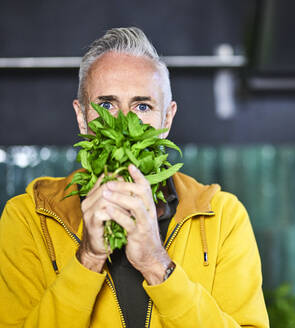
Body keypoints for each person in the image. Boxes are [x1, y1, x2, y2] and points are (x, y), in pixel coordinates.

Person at [0, 27, 269, 328]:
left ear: (167, 119)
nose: (125, 124)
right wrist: (87, 258)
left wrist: (157, 264)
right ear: (81, 117)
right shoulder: (27, 218)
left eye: (142, 106)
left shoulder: (222, 217)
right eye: (106, 105)